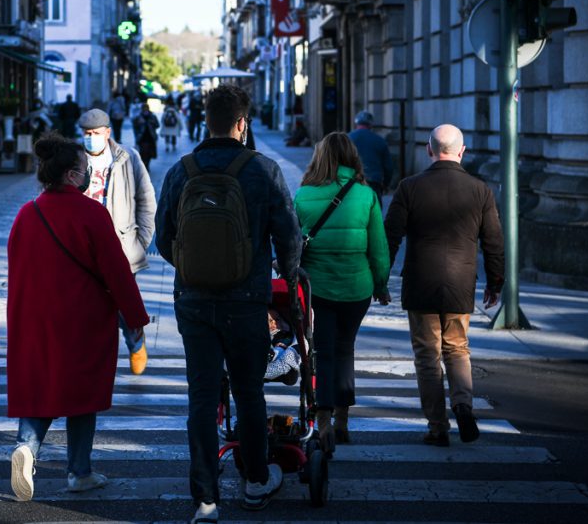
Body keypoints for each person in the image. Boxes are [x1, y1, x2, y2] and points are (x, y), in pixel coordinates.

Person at [155, 84, 302, 523]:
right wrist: (286, 275)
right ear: (243, 123)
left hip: (194, 302)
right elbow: (289, 236)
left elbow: (163, 238)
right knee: (248, 392)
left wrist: (193, 267)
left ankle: (205, 497)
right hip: (248, 300)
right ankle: (255, 481)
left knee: (201, 397)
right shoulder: (263, 169)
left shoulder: (182, 171)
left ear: (205, 120)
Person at [6, 134, 149, 502]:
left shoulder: (27, 214)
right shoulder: (91, 213)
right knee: (82, 395)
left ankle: (27, 449)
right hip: (83, 321)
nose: (88, 176)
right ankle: (79, 472)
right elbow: (117, 272)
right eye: (84, 171)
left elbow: (17, 270)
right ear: (72, 175)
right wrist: (135, 316)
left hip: (37, 321)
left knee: (42, 388)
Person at [384, 124, 504, 447]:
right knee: (457, 348)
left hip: (420, 283)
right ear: (462, 152)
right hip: (460, 283)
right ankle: (463, 404)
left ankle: (438, 427)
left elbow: (390, 236)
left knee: (427, 355)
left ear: (428, 150)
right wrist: (495, 282)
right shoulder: (481, 190)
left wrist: (380, 277)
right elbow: (494, 242)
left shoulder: (409, 187)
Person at [293, 132, 391, 452]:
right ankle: (343, 420)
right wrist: (381, 285)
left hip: (318, 288)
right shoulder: (366, 196)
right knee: (345, 348)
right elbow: (378, 249)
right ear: (352, 158)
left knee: (322, 349)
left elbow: (293, 248)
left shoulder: (304, 195)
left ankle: (322, 420)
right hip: (356, 287)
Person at [77, 108, 156, 374]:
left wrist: (141, 240)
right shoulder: (73, 159)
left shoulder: (127, 157)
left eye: (96, 133)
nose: (91, 138)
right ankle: (94, 356)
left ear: (107, 132)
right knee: (87, 307)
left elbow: (146, 200)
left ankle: (136, 344)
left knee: (125, 304)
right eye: (87, 133)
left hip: (120, 246)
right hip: (81, 248)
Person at [348, 111, 394, 207]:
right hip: (373, 183)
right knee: (374, 214)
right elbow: (388, 167)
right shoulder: (380, 141)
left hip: (352, 184)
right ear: (370, 125)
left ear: (356, 124)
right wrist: (386, 185)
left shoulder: (347, 139)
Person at [132, 102, 160, 170]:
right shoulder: (138, 117)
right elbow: (135, 127)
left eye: (146, 108)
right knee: (143, 153)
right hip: (142, 138)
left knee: (150, 153)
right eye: (144, 108)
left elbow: (157, 125)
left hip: (151, 137)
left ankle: (147, 164)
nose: (145, 110)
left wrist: (151, 123)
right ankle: (144, 165)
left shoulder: (153, 116)